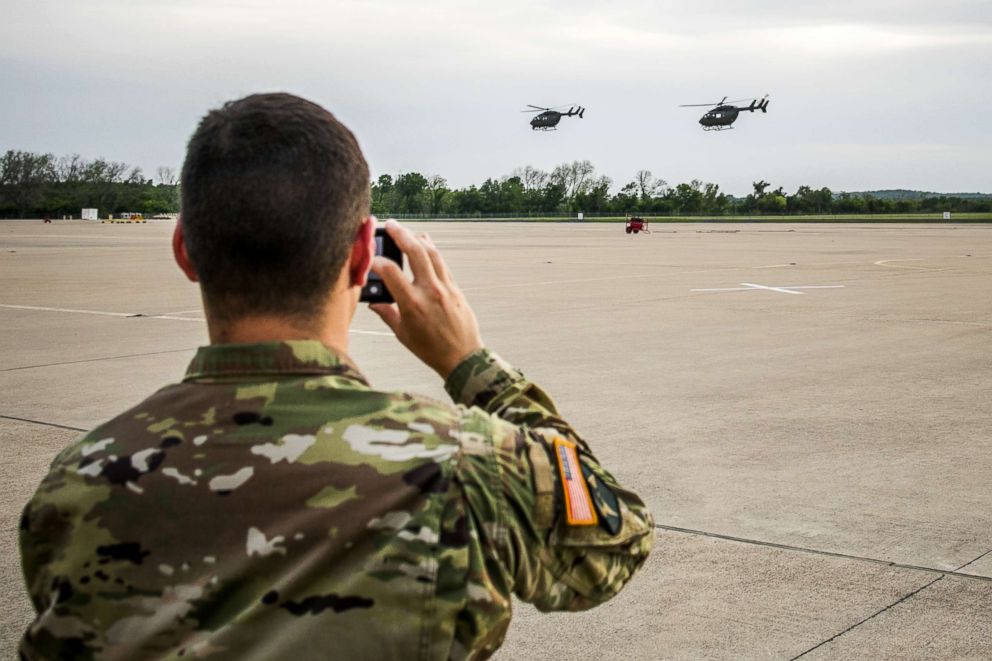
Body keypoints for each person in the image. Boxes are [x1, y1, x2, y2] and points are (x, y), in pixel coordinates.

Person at [19, 93, 654, 660]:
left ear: (185, 249)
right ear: (361, 256)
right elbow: (614, 542)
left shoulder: (75, 486)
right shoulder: (467, 465)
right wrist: (472, 367)